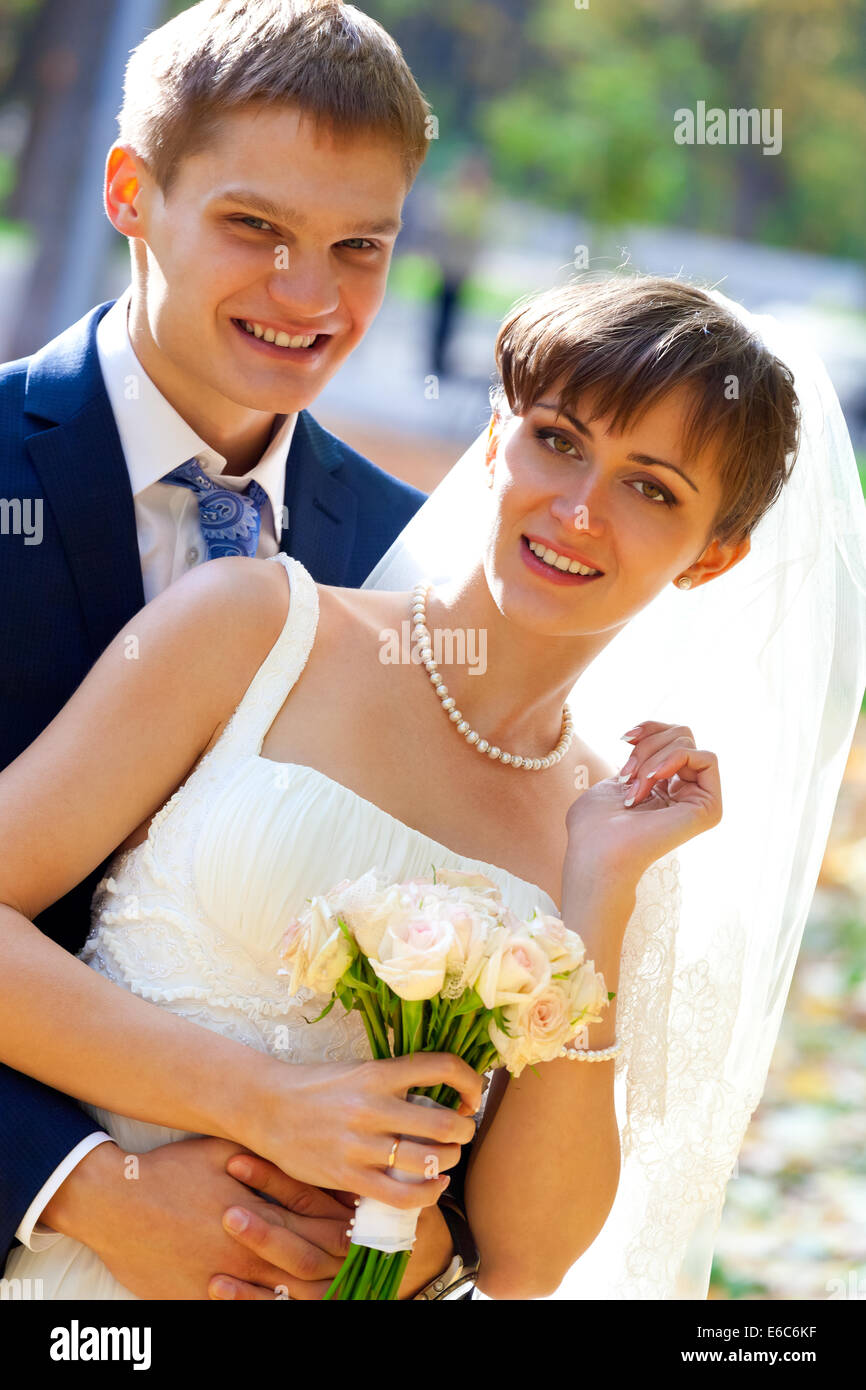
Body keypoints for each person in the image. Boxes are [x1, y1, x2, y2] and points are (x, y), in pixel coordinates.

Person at [0, 272, 818, 1299]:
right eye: (558, 440)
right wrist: (262, 1102)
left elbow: (523, 1260)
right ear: (494, 437)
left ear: (711, 557)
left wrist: (598, 887)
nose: (577, 511)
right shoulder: (250, 627)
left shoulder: (614, 840)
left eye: (648, 487)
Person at [0, 0, 442, 1300]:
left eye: (358, 247)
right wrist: (83, 1186)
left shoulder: (406, 556)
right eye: (255, 228)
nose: (310, 296)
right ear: (132, 192)